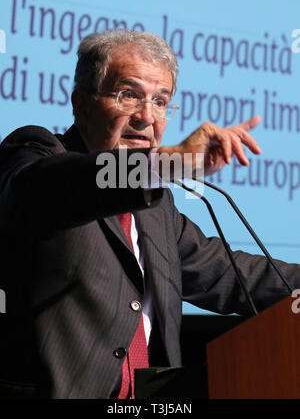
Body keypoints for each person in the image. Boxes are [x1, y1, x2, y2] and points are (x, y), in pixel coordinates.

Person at [0, 30, 298, 399]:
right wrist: (162, 164)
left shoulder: (156, 211)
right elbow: (50, 187)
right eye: (129, 95)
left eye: (161, 101)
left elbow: (234, 274)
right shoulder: (38, 154)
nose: (147, 116)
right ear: (82, 104)